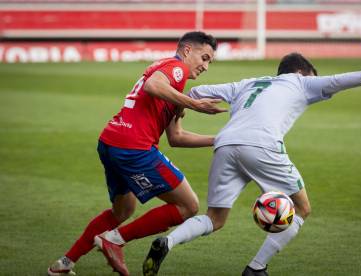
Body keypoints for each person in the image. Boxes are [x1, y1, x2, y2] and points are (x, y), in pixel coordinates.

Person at [142, 52, 361, 276]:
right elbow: (339, 80)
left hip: (225, 144)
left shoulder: (248, 83)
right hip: (262, 145)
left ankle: (168, 241)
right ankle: (256, 268)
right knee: (301, 208)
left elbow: (198, 91)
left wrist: (182, 109)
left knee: (215, 217)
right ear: (302, 72)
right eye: (312, 77)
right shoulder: (302, 82)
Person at [47, 31, 228, 276]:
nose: (206, 66)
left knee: (122, 210)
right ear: (187, 51)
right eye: (204, 57)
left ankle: (64, 264)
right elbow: (153, 85)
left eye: (210, 62)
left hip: (111, 141)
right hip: (134, 147)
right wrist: (194, 104)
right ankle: (115, 240)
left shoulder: (174, 85)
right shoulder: (176, 67)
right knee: (189, 206)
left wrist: (222, 140)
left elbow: (175, 138)